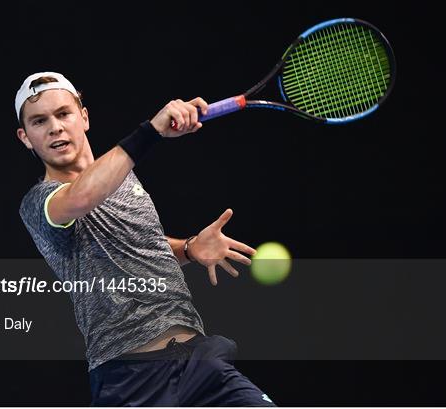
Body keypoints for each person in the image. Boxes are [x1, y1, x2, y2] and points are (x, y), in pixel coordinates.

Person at [16, 72, 275, 406]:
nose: (54, 127)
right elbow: (82, 198)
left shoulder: (123, 178)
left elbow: (138, 243)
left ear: (84, 117)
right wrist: (151, 131)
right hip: (131, 379)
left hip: (200, 364)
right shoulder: (40, 202)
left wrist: (189, 248)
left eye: (63, 114)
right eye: (39, 121)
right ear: (25, 137)